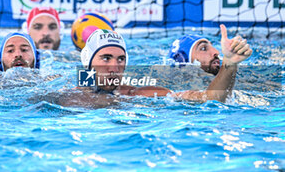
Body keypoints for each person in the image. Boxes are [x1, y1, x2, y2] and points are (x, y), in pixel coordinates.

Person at [79, 25, 252, 103]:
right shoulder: (67, 95)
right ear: (88, 62)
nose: (114, 67)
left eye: (121, 59)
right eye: (106, 58)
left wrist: (229, 63)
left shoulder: (141, 94)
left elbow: (212, 98)